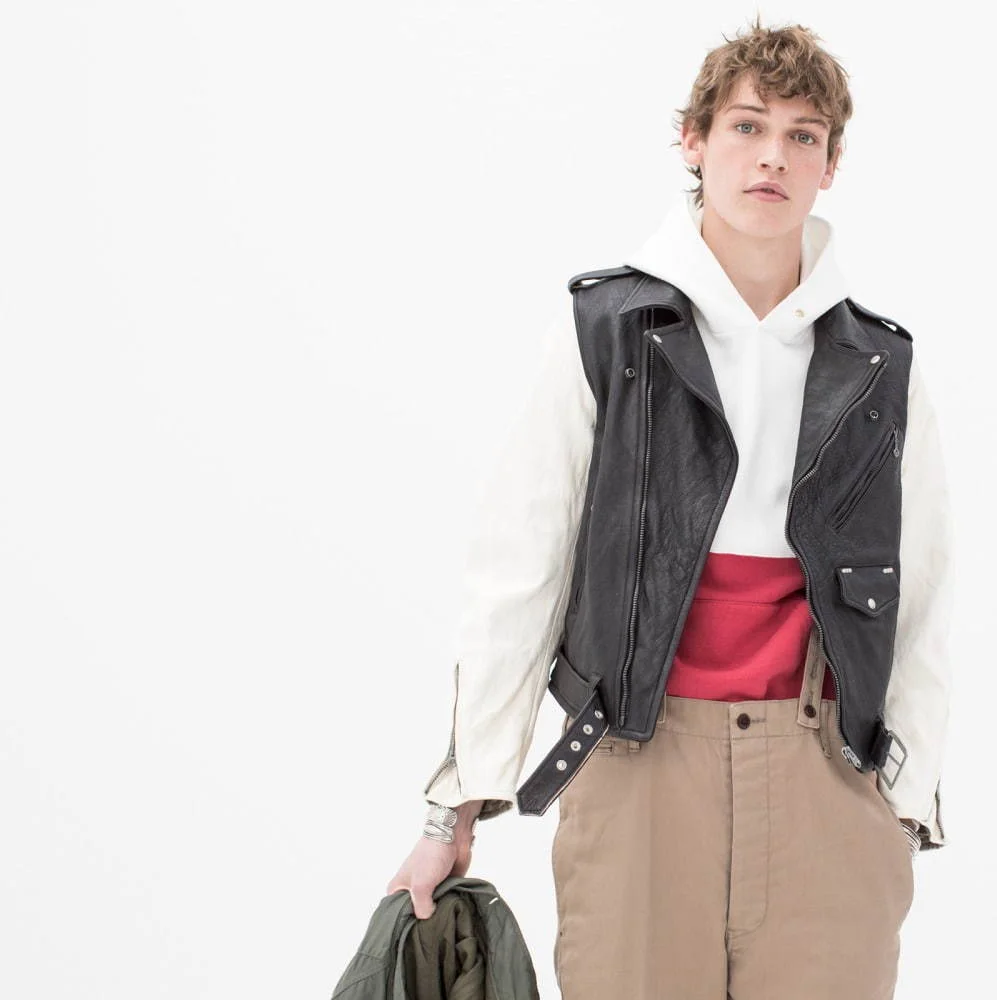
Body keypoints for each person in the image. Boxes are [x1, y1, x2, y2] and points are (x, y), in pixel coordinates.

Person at [386, 17, 956, 999]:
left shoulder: (880, 363)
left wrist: (902, 799)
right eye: (747, 126)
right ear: (693, 141)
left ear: (830, 165)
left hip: (827, 771)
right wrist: (454, 808)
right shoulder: (607, 330)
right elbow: (524, 567)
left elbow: (924, 590)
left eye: (803, 135)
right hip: (639, 760)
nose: (772, 156)